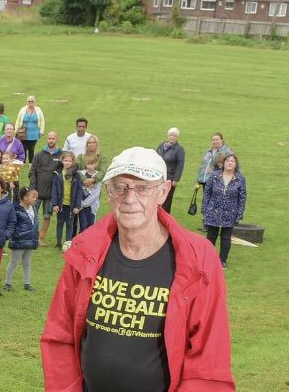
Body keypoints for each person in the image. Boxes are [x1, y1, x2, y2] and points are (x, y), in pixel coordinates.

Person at [41, 146, 234, 392]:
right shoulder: (86, 250)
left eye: (143, 188)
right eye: (120, 187)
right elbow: (61, 334)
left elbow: (209, 357)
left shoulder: (197, 257)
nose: (130, 199)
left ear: (163, 192)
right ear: (109, 193)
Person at [202, 153, 246, 269]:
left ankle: (222, 261)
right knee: (211, 235)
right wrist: (205, 209)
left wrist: (239, 214)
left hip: (230, 212)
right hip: (213, 210)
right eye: (227, 161)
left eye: (232, 161)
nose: (229, 163)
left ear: (236, 164)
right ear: (223, 163)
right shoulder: (214, 176)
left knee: (226, 237)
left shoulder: (240, 179)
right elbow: (207, 193)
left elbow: (242, 197)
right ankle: (208, 259)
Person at [29, 131, 63, 244]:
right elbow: (32, 171)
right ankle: (32, 236)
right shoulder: (39, 155)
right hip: (37, 192)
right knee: (32, 214)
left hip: (51, 193)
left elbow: (70, 165)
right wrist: (33, 188)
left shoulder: (61, 155)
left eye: (53, 138)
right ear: (47, 139)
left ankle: (41, 238)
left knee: (47, 216)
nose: (51, 140)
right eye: (49, 138)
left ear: (57, 139)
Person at [5, 187, 40, 292]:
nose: (35, 199)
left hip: (31, 240)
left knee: (27, 262)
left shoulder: (33, 208)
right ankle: (8, 283)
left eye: (36, 197)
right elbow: (11, 224)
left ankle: (27, 283)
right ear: (25, 197)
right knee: (14, 262)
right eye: (33, 197)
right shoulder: (15, 209)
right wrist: (15, 235)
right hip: (19, 240)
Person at [50, 152, 82, 251]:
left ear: (73, 162)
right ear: (62, 161)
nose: (67, 163)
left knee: (70, 224)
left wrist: (77, 206)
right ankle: (58, 243)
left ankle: (68, 243)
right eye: (65, 160)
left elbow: (79, 191)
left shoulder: (76, 175)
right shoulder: (57, 174)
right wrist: (54, 204)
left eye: (69, 161)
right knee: (59, 223)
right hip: (61, 204)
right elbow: (54, 190)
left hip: (71, 205)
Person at [157, 127, 187, 213]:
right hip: (158, 177)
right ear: (168, 136)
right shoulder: (161, 146)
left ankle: (165, 219)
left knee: (166, 200)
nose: (172, 137)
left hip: (170, 178)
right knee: (157, 198)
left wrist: (176, 179)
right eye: (171, 135)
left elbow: (180, 165)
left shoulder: (179, 149)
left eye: (174, 136)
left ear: (177, 137)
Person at [75, 154, 102, 232]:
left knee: (91, 225)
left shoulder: (97, 176)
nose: (89, 166)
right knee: (83, 224)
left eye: (92, 164)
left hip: (91, 205)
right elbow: (78, 189)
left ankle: (90, 243)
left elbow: (96, 194)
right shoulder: (82, 174)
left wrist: (84, 204)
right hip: (81, 205)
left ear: (96, 164)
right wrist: (80, 203)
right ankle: (81, 242)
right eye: (88, 164)